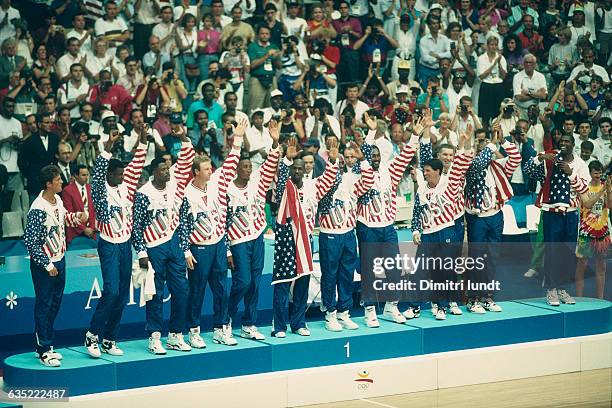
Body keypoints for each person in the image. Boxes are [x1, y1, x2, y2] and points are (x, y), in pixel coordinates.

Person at [179, 119, 247, 348]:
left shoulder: (218, 182)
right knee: (196, 293)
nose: (212, 171)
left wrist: (237, 139)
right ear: (196, 172)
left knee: (222, 291)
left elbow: (231, 163)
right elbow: (182, 223)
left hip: (218, 245)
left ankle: (221, 328)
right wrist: (186, 250)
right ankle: (193, 331)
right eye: (207, 169)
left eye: (211, 168)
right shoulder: (186, 193)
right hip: (198, 249)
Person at [84, 126, 148, 358]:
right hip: (108, 243)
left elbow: (138, 162)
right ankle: (92, 335)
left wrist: (142, 139)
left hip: (125, 245)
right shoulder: (100, 191)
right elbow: (97, 172)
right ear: (109, 175)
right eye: (118, 175)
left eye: (123, 174)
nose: (122, 177)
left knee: (121, 294)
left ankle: (109, 339)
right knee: (111, 290)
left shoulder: (127, 187)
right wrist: (107, 148)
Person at [132, 131, 195, 354]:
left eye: (168, 168)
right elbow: (136, 225)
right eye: (163, 170)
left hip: (174, 244)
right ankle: (155, 336)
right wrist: (141, 252)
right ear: (153, 173)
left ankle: (176, 335)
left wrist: (184, 139)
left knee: (182, 290)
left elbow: (187, 160)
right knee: (155, 293)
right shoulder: (143, 193)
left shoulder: (174, 184)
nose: (167, 172)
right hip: (153, 248)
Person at [271, 137, 340, 337]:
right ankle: (279, 327)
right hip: (285, 240)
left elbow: (329, 179)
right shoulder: (284, 187)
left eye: (301, 169)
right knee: (283, 283)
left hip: (306, 240)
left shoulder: (313, 186)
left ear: (306, 170)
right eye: (295, 168)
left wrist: (333, 161)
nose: (298, 172)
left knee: (303, 283)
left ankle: (299, 324)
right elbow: (282, 173)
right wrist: (286, 159)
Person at [357, 112, 420, 327]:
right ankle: (370, 310)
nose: (374, 158)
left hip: (388, 227)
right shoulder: (362, 171)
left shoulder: (389, 171)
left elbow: (405, 156)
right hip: (368, 228)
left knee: (394, 268)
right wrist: (372, 131)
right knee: (370, 269)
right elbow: (365, 151)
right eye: (371, 156)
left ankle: (391, 306)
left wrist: (415, 137)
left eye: (377, 156)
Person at [24, 165, 87, 366]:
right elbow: (30, 242)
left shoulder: (58, 200)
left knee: (55, 303)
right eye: (58, 180)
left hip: (60, 258)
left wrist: (77, 216)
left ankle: (46, 344)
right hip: (45, 265)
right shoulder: (38, 209)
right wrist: (47, 264)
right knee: (44, 304)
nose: (62, 182)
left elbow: (64, 219)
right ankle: (43, 348)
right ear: (48, 184)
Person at [225, 120, 280, 340]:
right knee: (243, 281)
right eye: (244, 167)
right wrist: (227, 249)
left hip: (257, 236)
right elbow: (223, 220)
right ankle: (226, 317)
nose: (248, 170)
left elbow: (272, 162)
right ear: (237, 169)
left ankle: (249, 324)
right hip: (237, 241)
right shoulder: (227, 187)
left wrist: (275, 141)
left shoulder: (258, 180)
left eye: (250, 167)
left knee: (255, 283)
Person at [412, 132, 474, 320]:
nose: (425, 172)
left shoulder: (450, 181)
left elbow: (459, 167)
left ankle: (447, 303)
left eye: (429, 170)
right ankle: (420, 305)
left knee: (447, 268)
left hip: (450, 226)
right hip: (430, 231)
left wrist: (462, 146)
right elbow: (417, 210)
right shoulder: (424, 185)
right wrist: (416, 229)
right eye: (425, 171)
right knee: (422, 269)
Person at [317, 134, 374, 332]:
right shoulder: (322, 182)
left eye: (342, 162)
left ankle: (344, 313)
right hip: (329, 234)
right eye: (337, 161)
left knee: (346, 275)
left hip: (349, 234)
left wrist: (363, 159)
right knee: (329, 275)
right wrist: (332, 161)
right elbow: (327, 181)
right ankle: (330, 314)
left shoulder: (350, 179)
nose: (340, 165)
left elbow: (368, 180)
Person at [525, 134, 589, 306]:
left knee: (568, 252)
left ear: (574, 144)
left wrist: (571, 173)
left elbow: (585, 190)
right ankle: (551, 289)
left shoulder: (580, 164)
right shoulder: (550, 159)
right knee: (552, 251)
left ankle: (563, 288)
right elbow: (528, 170)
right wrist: (540, 157)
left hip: (571, 213)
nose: (564, 144)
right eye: (562, 141)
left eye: (568, 141)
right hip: (551, 212)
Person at [464, 127, 521, 313]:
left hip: (496, 215)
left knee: (492, 258)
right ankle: (473, 299)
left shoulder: (497, 165)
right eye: (481, 151)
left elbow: (516, 158)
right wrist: (490, 145)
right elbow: (480, 162)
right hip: (477, 218)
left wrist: (503, 141)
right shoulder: (471, 168)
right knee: (476, 259)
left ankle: (487, 297)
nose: (485, 155)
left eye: (487, 151)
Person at [575, 161, 611, 299]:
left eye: (600, 172)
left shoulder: (605, 186)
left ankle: (600, 298)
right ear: (590, 173)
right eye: (595, 172)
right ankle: (579, 297)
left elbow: (610, 206)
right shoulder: (584, 188)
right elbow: (588, 204)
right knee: (582, 264)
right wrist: (602, 191)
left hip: (602, 231)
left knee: (602, 265)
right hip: (586, 231)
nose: (598, 175)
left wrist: (609, 190)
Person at [18, 112, 60, 203]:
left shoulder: (55, 138)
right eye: (46, 123)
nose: (50, 125)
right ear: (39, 124)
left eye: (50, 122)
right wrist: (31, 175)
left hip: (52, 182)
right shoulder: (29, 141)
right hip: (35, 183)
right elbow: (21, 162)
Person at [62, 165, 96, 245]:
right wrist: (84, 229)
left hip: (92, 231)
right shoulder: (67, 190)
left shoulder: (91, 188)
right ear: (76, 176)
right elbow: (69, 214)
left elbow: (94, 211)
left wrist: (91, 228)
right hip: (75, 232)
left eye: (88, 175)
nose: (87, 177)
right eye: (83, 175)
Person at [477, 36, 507, 128]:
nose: (494, 47)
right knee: (485, 116)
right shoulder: (481, 58)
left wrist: (498, 64)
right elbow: (481, 76)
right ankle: (485, 138)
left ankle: (496, 138)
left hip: (498, 87)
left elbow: (503, 76)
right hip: (486, 86)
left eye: (495, 45)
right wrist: (493, 65)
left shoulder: (501, 58)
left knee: (497, 115)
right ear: (487, 46)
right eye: (491, 44)